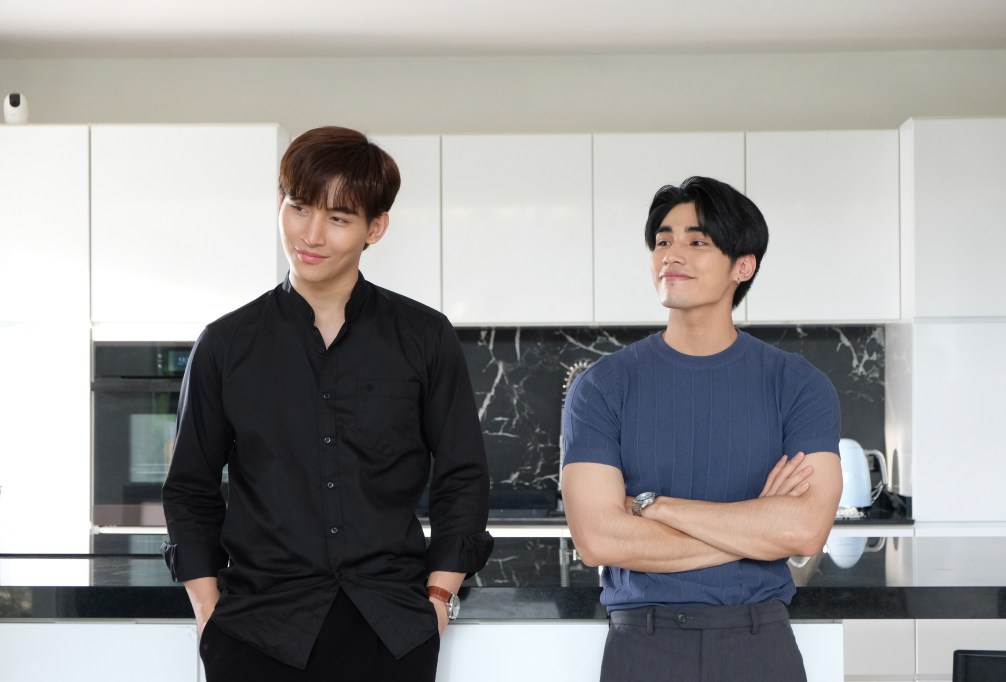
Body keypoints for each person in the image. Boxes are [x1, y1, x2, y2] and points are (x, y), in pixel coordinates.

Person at [161, 126, 493, 682]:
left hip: (391, 631)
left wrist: (439, 597)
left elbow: (462, 475)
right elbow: (190, 487)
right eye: (299, 207)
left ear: (375, 228)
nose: (310, 235)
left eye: (338, 218)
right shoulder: (225, 344)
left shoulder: (425, 337)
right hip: (257, 633)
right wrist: (207, 611)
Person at [561, 176, 843, 682]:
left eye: (697, 242)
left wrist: (655, 507)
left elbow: (804, 531)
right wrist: (757, 528)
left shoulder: (799, 385)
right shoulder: (601, 386)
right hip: (641, 646)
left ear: (743, 265)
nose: (671, 255)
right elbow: (599, 540)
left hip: (759, 642)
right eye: (662, 241)